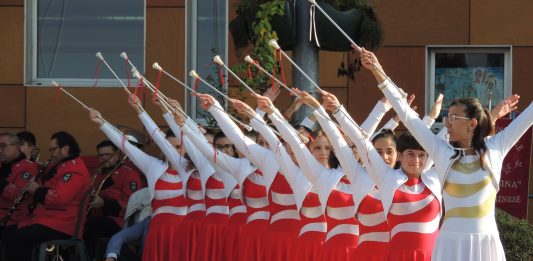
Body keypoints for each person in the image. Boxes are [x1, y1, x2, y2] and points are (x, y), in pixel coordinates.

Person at [362, 48, 532, 260]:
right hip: (449, 246)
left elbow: (528, 117)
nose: (446, 124)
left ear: (471, 124)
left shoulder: (496, 147)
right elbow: (405, 114)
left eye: (452, 118)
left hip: (486, 245)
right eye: (446, 117)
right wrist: (377, 71)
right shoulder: (442, 153)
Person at [6, 131, 90, 261]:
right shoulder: (62, 166)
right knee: (8, 232)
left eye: (53, 149)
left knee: (17, 238)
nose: (51, 153)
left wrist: (37, 190)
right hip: (49, 219)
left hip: (63, 224)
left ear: (65, 148)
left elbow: (59, 198)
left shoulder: (75, 169)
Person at [83, 140, 143, 259]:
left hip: (120, 221)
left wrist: (104, 204)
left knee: (93, 225)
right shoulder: (98, 175)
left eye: (107, 155)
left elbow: (132, 205)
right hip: (99, 217)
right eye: (101, 155)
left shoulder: (128, 174)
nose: (104, 158)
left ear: (116, 155)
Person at [0, 132, 39, 237]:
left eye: (3, 146)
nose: (0, 150)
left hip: (13, 220)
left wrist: (2, 182)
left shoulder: (27, 167)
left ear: (17, 147)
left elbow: (17, 195)